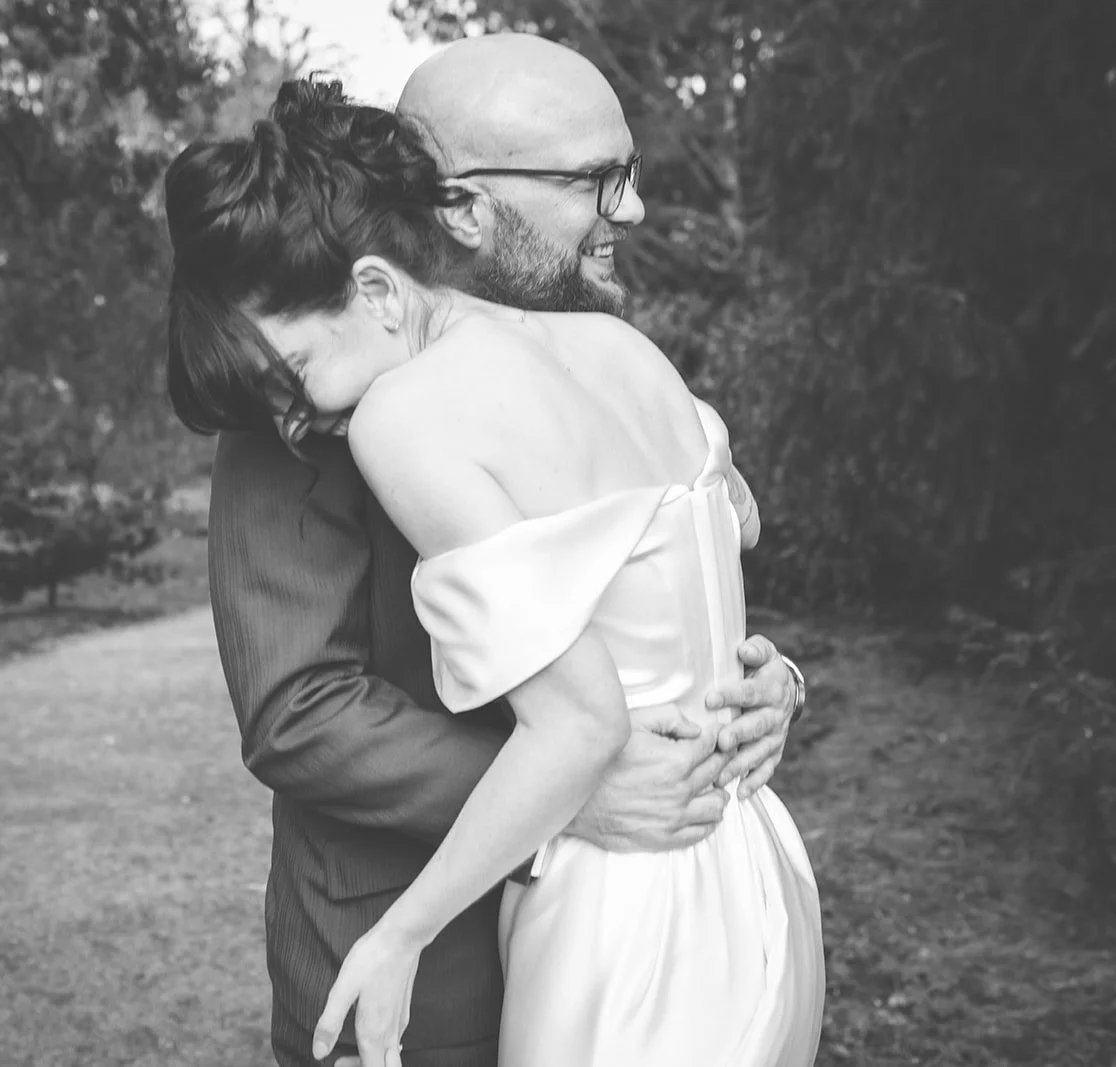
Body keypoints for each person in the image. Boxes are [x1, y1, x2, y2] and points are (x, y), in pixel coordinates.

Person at [177, 35, 814, 1067]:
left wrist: (762, 680)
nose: (631, 209)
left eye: (629, 172)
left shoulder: (584, 339)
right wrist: (581, 785)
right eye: (592, 181)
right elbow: (298, 708)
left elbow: (666, 568)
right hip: (421, 955)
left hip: (625, 910)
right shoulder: (293, 387)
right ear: (466, 206)